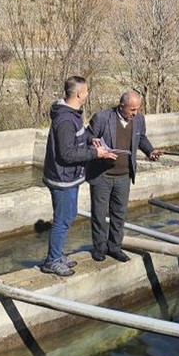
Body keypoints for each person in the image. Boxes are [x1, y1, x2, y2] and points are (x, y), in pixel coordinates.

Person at [40, 76, 116, 276]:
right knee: (62, 219)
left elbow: (78, 138)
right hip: (62, 178)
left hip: (69, 176)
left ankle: (57, 254)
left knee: (68, 215)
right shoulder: (65, 119)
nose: (88, 94)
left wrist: (92, 140)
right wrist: (96, 154)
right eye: (87, 91)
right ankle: (52, 260)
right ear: (79, 94)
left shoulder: (72, 114)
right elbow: (67, 153)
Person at [86, 90, 162, 262]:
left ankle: (115, 247)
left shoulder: (139, 120)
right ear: (122, 106)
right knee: (99, 213)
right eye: (132, 110)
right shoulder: (102, 117)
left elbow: (141, 138)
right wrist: (93, 142)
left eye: (137, 109)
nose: (135, 113)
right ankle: (99, 248)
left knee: (119, 213)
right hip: (102, 175)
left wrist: (150, 151)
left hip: (123, 176)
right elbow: (88, 136)